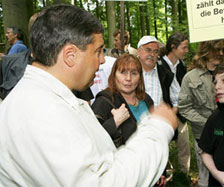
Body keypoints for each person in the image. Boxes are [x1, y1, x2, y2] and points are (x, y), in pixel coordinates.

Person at [0, 5, 178, 187]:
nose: (102, 61)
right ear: (70, 55)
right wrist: (157, 129)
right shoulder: (42, 111)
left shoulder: (47, 98)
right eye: (98, 51)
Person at [178, 39, 224, 187]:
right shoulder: (191, 77)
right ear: (206, 50)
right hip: (203, 136)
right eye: (217, 49)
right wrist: (208, 123)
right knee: (205, 178)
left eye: (222, 49)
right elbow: (184, 107)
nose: (221, 53)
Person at [137, 35, 179, 186]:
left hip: (158, 130)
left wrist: (167, 120)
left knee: (157, 170)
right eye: (148, 50)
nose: (152, 54)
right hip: (134, 128)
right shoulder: (130, 71)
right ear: (138, 52)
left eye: (156, 52)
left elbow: (177, 98)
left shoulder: (165, 73)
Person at [92, 54, 154, 147]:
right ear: (114, 75)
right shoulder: (104, 101)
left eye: (134, 73)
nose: (128, 78)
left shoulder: (146, 99)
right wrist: (114, 122)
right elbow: (92, 140)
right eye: (123, 72)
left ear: (140, 77)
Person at [159, 32, 191, 174]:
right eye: (184, 47)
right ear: (173, 47)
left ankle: (184, 175)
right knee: (163, 145)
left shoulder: (182, 66)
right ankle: (165, 174)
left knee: (184, 146)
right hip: (166, 112)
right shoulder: (159, 65)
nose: (186, 51)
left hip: (181, 112)